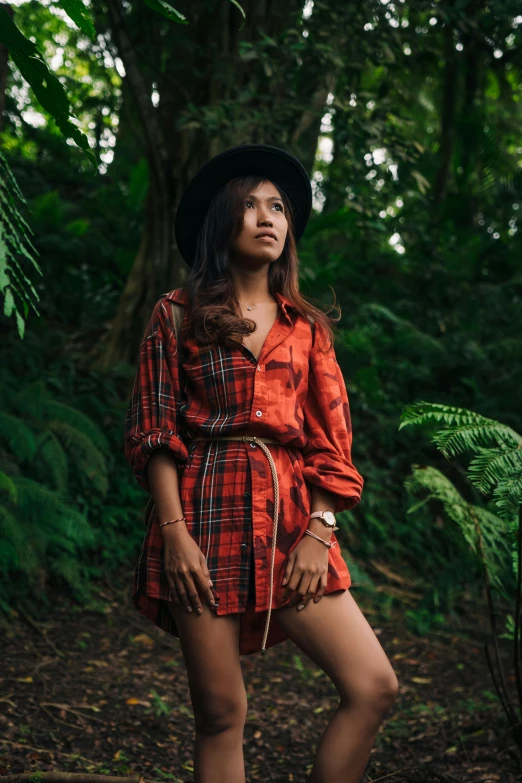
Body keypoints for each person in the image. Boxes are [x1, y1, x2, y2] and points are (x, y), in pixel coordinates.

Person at [124, 144, 399, 783]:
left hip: (292, 522)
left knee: (374, 686)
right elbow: (155, 430)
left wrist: (319, 530)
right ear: (222, 222)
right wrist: (174, 537)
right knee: (221, 713)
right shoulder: (175, 315)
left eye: (277, 207)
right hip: (204, 520)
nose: (266, 218)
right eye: (248, 205)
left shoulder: (307, 329)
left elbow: (332, 444)